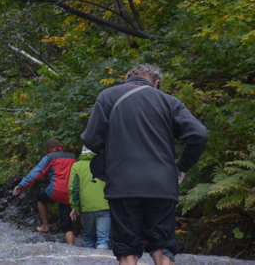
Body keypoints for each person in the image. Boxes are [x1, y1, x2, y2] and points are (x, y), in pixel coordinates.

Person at [81, 64, 208, 265]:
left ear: (127, 79)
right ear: (156, 83)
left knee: (127, 248)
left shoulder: (108, 96)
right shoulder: (170, 102)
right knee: (163, 247)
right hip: (162, 184)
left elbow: (91, 140)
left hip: (122, 184)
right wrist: (182, 167)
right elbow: (199, 135)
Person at [12, 138, 76, 245]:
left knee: (40, 197)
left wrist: (20, 186)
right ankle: (72, 248)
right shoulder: (72, 157)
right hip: (71, 193)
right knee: (67, 225)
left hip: (55, 191)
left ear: (48, 148)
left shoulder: (49, 157)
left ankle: (45, 226)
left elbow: (36, 173)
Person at [69, 146, 110, 249]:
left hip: (86, 207)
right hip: (104, 205)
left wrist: (75, 206)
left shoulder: (77, 166)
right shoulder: (105, 163)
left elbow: (74, 188)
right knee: (103, 239)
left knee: (88, 238)